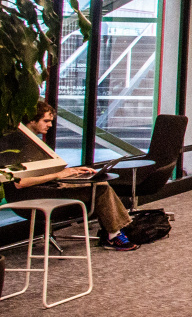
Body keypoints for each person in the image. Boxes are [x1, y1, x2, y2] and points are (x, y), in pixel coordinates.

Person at [7, 101, 139, 251]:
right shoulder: (18, 145)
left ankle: (116, 231)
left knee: (97, 184)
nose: (50, 125)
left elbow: (42, 171)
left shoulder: (34, 143)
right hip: (28, 194)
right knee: (100, 189)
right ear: (31, 120)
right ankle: (115, 234)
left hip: (44, 187)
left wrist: (73, 171)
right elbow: (20, 183)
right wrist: (58, 175)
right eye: (46, 121)